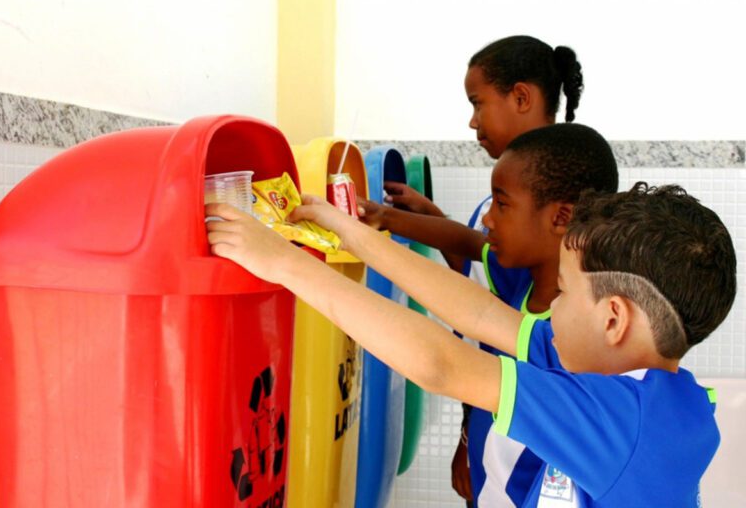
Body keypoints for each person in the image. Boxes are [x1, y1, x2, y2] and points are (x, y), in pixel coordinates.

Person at [206, 180, 736, 507]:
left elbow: (442, 364)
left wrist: (283, 264)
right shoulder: (632, 379)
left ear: (614, 320)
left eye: (566, 292)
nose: (549, 308)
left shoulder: (625, 424)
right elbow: (482, 313)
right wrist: (351, 233)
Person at [362, 35, 584, 505]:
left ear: (521, 97)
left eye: (478, 103)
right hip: (489, 414)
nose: (472, 120)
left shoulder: (561, 213)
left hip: (502, 410)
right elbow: (480, 266)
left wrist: (467, 436)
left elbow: (487, 314)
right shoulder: (507, 198)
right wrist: (423, 219)